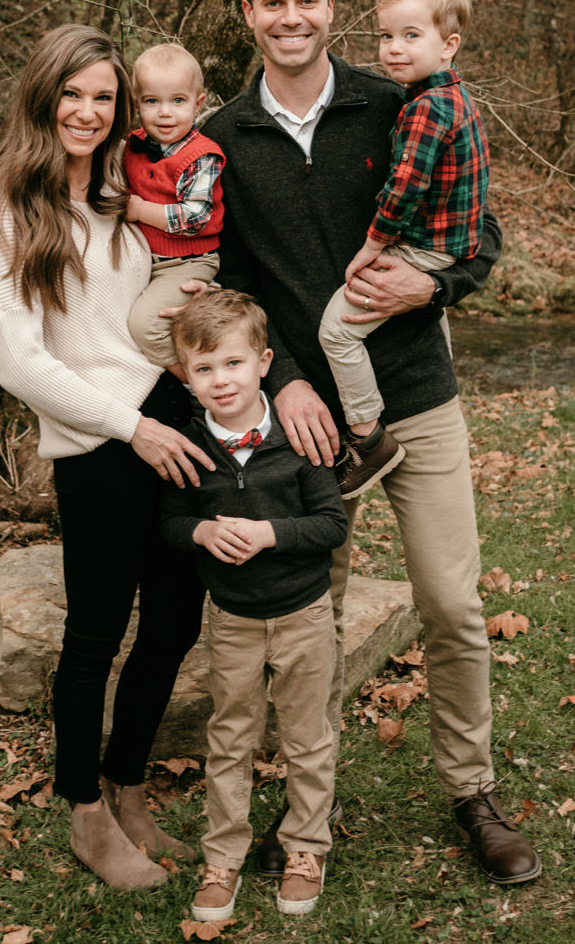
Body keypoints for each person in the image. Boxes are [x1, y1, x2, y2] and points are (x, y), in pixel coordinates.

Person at [200, 0, 541, 885]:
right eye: (273, 2)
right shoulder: (224, 136)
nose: (292, 17)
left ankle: (471, 791)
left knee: (451, 604)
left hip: (416, 400)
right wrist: (284, 384)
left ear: (328, 5)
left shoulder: (395, 103)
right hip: (307, 427)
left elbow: (479, 232)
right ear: (249, 15)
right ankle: (309, 811)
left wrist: (431, 293)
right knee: (314, 622)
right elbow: (226, 282)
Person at [0, 24, 214, 890]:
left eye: (103, 96)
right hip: (102, 447)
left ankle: (129, 785)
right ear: (43, 98)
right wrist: (128, 425)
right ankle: (84, 812)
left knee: (178, 620)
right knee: (94, 636)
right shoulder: (13, 210)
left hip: (172, 419)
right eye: (72, 93)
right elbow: (19, 362)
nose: (87, 109)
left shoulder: (122, 188)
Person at [159, 289, 347, 919]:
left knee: (307, 735)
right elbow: (169, 522)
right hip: (233, 619)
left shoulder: (296, 439)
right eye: (203, 369)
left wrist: (271, 534)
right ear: (184, 375)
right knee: (231, 736)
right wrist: (202, 532)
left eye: (233, 364)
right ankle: (223, 857)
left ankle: (305, 846)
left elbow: (330, 525)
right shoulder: (191, 446)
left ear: (264, 362)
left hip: (304, 614)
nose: (220, 380)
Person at [318, 0, 489, 496]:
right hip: (449, 245)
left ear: (448, 44)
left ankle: (369, 437)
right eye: (386, 35)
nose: (393, 48)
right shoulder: (456, 99)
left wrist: (371, 250)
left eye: (411, 35)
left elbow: (400, 193)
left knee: (337, 331)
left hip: (421, 249)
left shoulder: (423, 109)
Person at [124, 43, 225, 381]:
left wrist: (139, 209)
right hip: (149, 258)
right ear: (137, 103)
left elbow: (193, 218)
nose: (165, 113)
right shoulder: (132, 146)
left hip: (188, 261)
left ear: (198, 103)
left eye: (177, 101)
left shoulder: (201, 156)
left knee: (145, 324)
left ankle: (196, 387)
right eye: (152, 101)